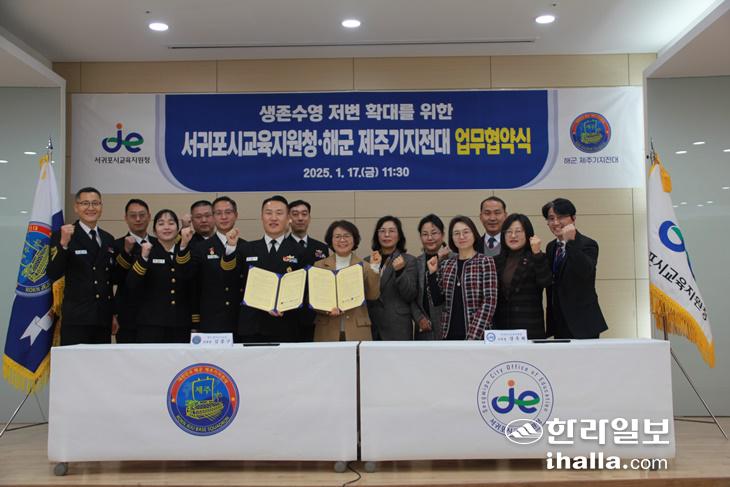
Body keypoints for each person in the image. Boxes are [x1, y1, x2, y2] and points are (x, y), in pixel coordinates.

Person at [222, 195, 307, 342]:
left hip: (286, 325)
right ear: (262, 217)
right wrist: (230, 247)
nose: (273, 218)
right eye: (268, 213)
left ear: (288, 219)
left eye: (279, 213)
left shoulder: (299, 251)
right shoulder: (246, 248)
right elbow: (229, 279)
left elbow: (305, 289)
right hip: (252, 326)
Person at [48, 187, 115, 345]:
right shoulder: (63, 235)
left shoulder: (108, 238)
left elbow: (108, 280)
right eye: (85, 203)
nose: (91, 208)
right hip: (77, 318)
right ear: (76, 207)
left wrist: (113, 313)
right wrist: (63, 244)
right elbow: (53, 272)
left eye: (95, 203)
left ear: (101, 207)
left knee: (100, 361)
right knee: (74, 361)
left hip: (102, 318)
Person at [542, 198, 608, 339]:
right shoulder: (551, 247)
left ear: (573, 218)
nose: (556, 223)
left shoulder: (588, 244)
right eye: (551, 218)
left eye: (561, 217)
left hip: (583, 322)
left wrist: (570, 242)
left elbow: (585, 271)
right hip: (559, 320)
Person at [126, 210, 195, 343]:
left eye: (171, 223)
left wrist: (183, 247)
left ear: (178, 229)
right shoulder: (145, 251)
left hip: (180, 323)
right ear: (154, 230)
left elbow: (190, 280)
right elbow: (132, 283)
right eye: (161, 224)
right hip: (151, 324)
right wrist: (143, 258)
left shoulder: (185, 251)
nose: (166, 227)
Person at [427, 216, 497, 340]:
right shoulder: (447, 264)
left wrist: (472, 337)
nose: (461, 237)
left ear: (474, 234)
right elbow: (437, 300)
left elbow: (489, 302)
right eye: (456, 233)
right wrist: (432, 274)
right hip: (449, 334)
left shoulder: (485, 262)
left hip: (477, 336)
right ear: (452, 238)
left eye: (466, 232)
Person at [312, 220, 380, 341]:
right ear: (331, 240)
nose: (342, 240)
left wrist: (374, 268)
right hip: (327, 329)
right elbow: (313, 298)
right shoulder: (319, 266)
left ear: (354, 240)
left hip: (357, 330)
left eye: (347, 236)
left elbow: (373, 295)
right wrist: (326, 309)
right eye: (337, 236)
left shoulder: (365, 266)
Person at [189, 196, 247, 333]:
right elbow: (194, 286)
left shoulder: (247, 247)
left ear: (236, 215)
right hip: (211, 319)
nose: (223, 217)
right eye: (218, 213)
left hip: (240, 318)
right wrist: (195, 320)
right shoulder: (200, 248)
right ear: (213, 217)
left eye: (228, 212)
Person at [493, 214, 552, 339]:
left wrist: (537, 254)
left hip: (529, 327)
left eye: (518, 231)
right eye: (509, 232)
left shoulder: (537, 257)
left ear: (528, 234)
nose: (513, 235)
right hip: (502, 329)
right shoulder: (496, 261)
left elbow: (545, 281)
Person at [364, 216, 418, 340]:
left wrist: (400, 272)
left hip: (398, 326)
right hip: (372, 325)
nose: (386, 235)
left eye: (392, 231)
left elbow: (410, 295)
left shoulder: (409, 260)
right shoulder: (367, 261)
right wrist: (373, 269)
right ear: (377, 235)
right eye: (382, 231)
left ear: (399, 236)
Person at [112, 198, 156, 344]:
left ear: (149, 216)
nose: (138, 219)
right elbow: (114, 278)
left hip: (155, 317)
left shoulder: (159, 243)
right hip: (128, 317)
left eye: (142, 215)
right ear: (125, 218)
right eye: (133, 215)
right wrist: (126, 252)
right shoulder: (116, 244)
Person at [286, 199, 330, 341]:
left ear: (309, 218)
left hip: (316, 315)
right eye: (295, 214)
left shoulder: (321, 248)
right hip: (288, 315)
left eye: (304, 214)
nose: (300, 218)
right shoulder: (281, 246)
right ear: (288, 218)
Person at [410, 214, 451, 340]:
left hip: (450, 328)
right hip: (425, 330)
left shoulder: (454, 259)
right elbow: (410, 296)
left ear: (442, 234)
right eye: (425, 234)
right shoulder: (415, 263)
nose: (430, 238)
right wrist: (419, 318)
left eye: (434, 233)